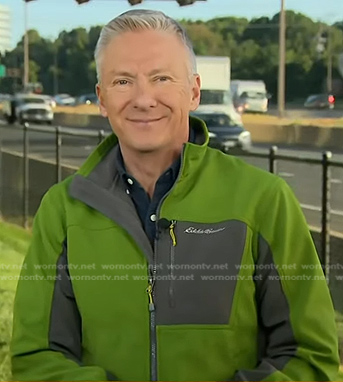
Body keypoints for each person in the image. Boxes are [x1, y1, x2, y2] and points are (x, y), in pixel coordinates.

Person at [11, 9, 339, 382]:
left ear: (194, 91)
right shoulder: (63, 209)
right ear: (102, 99)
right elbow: (35, 358)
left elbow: (310, 358)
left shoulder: (264, 200)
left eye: (161, 78)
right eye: (123, 81)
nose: (143, 99)